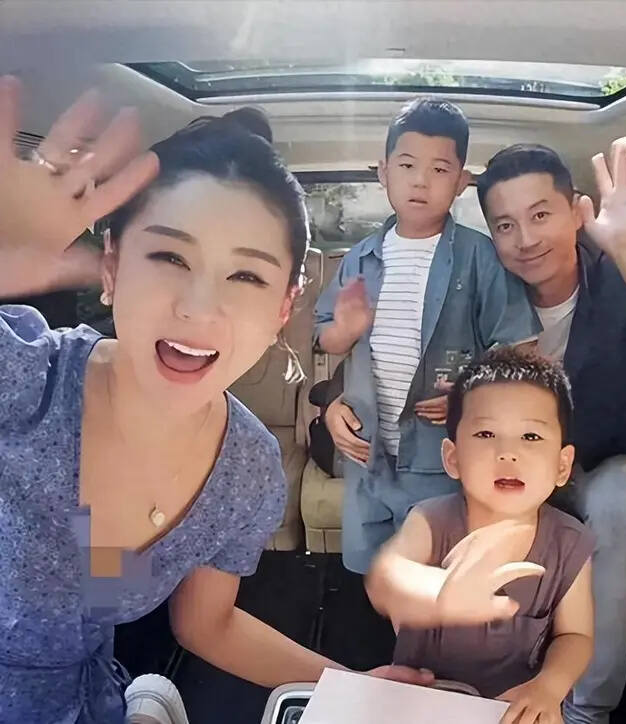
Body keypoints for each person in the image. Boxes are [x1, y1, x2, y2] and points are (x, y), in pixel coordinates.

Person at [0, 77, 432, 724]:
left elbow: (208, 624)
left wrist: (362, 689)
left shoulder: (245, 469)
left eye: (246, 274)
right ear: (112, 266)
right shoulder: (23, 377)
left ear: (284, 307)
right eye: (170, 257)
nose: (199, 309)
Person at [473, 141, 626, 723]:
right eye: (505, 225)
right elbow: (406, 360)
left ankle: (587, 708)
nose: (526, 239)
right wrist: (333, 402)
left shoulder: (615, 277)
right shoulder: (480, 286)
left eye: (540, 214)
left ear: (575, 212)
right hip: (508, 470)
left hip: (601, 462)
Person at [313, 97, 539, 574]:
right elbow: (325, 339)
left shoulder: (480, 257)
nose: (420, 181)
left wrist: (471, 393)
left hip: (442, 461)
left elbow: (519, 349)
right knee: (370, 575)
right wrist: (345, 331)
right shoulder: (359, 259)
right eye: (407, 165)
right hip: (367, 455)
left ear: (460, 182)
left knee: (433, 576)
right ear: (383, 173)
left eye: (439, 170)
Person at [366, 347, 595, 724]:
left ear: (562, 464)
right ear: (452, 458)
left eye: (531, 436)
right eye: (486, 433)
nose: (508, 453)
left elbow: (576, 637)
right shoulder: (431, 521)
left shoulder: (569, 543)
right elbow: (385, 578)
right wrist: (440, 591)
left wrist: (549, 686)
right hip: (422, 702)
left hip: (516, 711)